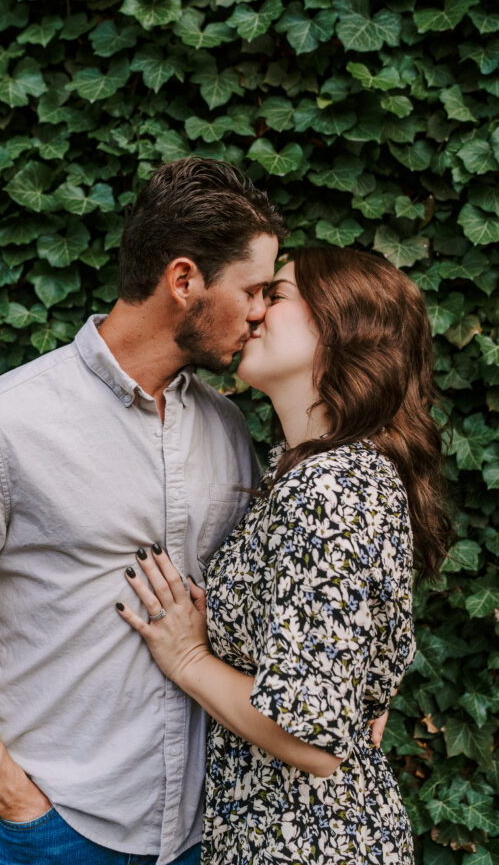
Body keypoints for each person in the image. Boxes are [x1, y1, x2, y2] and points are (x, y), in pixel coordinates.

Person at [0, 157, 287, 865]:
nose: (262, 313)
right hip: (59, 830)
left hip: (203, 834)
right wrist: (14, 799)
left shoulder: (228, 427)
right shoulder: (4, 425)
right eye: (253, 289)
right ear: (183, 280)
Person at [118, 247, 452, 865]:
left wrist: (188, 656)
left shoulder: (329, 487)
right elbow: (347, 693)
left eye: (276, 295)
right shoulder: (329, 472)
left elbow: (314, 738)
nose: (254, 311)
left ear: (341, 325)